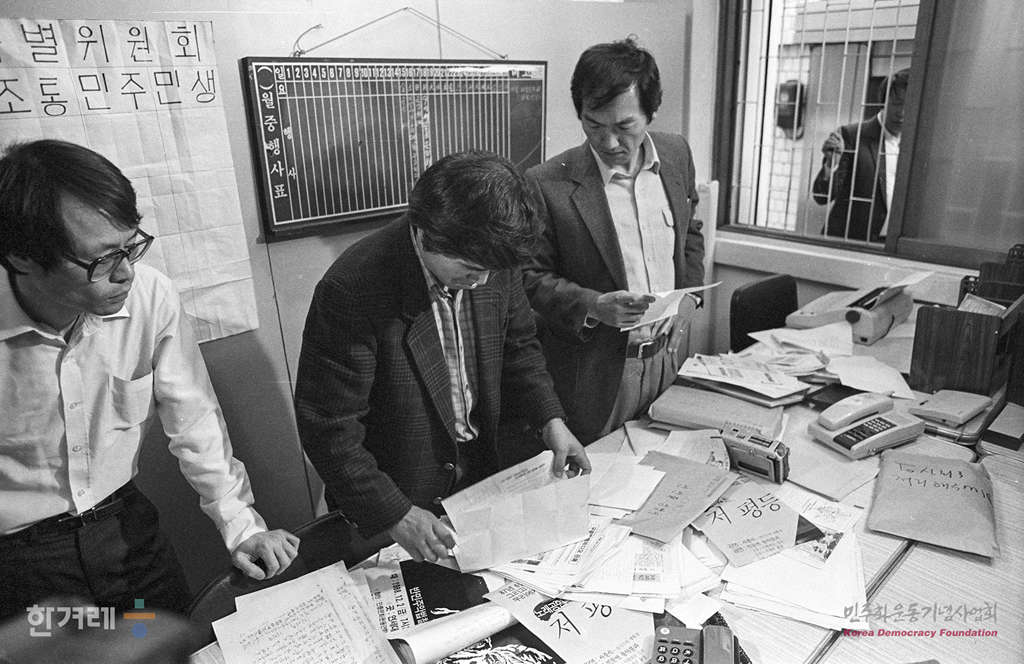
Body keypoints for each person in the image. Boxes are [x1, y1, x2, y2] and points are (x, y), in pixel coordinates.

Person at [0, 139, 299, 620]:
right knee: (55, 652)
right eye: (101, 259)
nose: (126, 274)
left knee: (160, 642)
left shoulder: (150, 296)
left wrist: (243, 528)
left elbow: (194, 419)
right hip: (23, 563)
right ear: (23, 258)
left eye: (130, 247)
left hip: (126, 533)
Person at [294, 150, 590, 564]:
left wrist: (550, 421)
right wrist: (396, 514)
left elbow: (519, 349)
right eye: (469, 268)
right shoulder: (353, 289)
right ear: (424, 232)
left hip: (480, 478)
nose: (481, 281)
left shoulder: (493, 257)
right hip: (397, 493)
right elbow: (329, 428)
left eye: (491, 271)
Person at [522, 38, 706, 444]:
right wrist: (593, 305)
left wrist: (690, 298)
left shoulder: (676, 154)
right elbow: (529, 277)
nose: (608, 143)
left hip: (668, 359)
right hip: (596, 375)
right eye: (594, 125)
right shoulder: (547, 183)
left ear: (650, 112)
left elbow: (691, 231)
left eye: (625, 127)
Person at [812, 68, 911, 242]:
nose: (902, 112)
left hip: (891, 244)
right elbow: (821, 196)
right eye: (896, 103)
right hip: (850, 243)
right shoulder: (851, 135)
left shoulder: (918, 144)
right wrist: (831, 165)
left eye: (909, 105)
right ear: (883, 102)